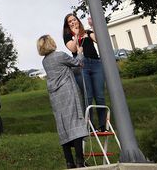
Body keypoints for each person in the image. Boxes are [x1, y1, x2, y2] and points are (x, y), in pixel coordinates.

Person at [38, 34, 87, 169]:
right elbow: (78, 63)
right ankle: (80, 160)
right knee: (75, 124)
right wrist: (80, 53)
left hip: (55, 96)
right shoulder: (60, 55)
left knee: (63, 126)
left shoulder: (45, 61)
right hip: (68, 92)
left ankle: (69, 161)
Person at [63, 13, 107, 131]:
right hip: (81, 66)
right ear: (67, 25)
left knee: (100, 96)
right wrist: (76, 35)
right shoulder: (68, 36)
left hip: (95, 64)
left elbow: (99, 40)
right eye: (70, 21)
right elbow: (72, 48)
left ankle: (103, 125)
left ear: (78, 20)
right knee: (88, 96)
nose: (73, 22)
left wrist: (93, 26)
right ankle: (90, 126)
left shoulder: (87, 32)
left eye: (74, 20)